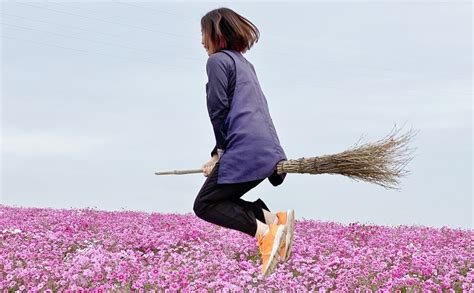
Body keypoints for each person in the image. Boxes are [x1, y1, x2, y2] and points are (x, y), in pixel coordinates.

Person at [193, 7, 295, 277]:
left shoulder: (217, 61)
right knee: (224, 198)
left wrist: (221, 154)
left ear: (217, 34)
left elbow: (218, 108)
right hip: (268, 150)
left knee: (204, 205)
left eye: (204, 34)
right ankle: (273, 220)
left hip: (245, 149)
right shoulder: (244, 63)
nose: (202, 42)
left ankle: (266, 232)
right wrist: (217, 154)